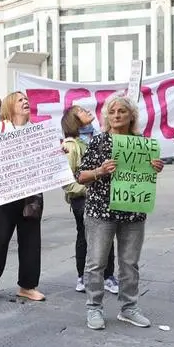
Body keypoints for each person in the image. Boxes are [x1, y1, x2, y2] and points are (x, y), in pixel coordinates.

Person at [77, 94, 164, 330]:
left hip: (133, 211)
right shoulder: (98, 142)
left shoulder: (143, 144)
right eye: (112, 112)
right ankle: (94, 308)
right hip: (100, 212)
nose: (116, 116)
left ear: (131, 116)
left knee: (130, 263)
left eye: (122, 112)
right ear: (107, 116)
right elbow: (81, 176)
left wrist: (155, 167)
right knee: (96, 263)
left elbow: (145, 175)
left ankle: (129, 308)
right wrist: (100, 171)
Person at [0, 92, 45, 303]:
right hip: (4, 195)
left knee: (31, 241)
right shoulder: (1, 128)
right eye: (20, 100)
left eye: (26, 99)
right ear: (9, 106)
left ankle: (27, 285)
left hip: (30, 195)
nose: (25, 102)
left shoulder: (37, 130)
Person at [62, 105, 117, 294]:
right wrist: (89, 189)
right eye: (81, 111)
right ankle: (83, 276)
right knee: (86, 237)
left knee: (108, 236)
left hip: (103, 196)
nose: (87, 111)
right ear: (74, 119)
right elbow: (68, 180)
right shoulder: (71, 145)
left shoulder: (98, 137)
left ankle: (108, 276)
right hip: (83, 198)